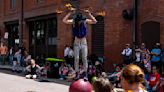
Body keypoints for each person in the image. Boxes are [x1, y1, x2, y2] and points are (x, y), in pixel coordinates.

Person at [63, 9, 97, 79]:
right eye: (78, 20)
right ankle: (76, 73)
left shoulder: (85, 21)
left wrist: (89, 14)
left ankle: (85, 74)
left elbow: (95, 21)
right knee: (77, 58)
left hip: (84, 41)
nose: (79, 22)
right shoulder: (73, 22)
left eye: (80, 20)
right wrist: (69, 13)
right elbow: (64, 20)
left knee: (84, 58)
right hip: (76, 41)